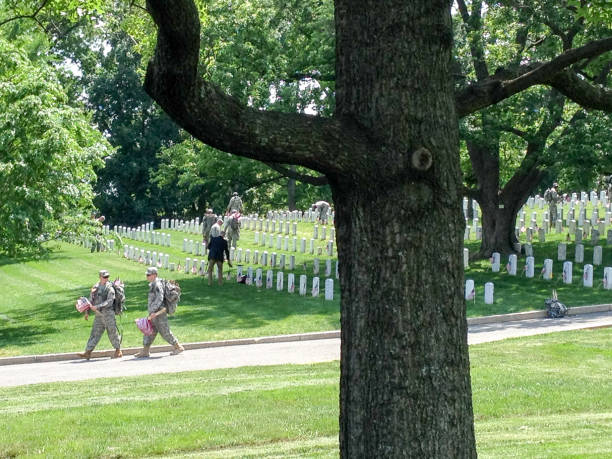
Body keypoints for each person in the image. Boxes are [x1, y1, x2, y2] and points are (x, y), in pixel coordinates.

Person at [134, 267, 184, 358]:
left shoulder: (157, 284)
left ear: (155, 275)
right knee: (149, 332)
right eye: (147, 274)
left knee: (165, 332)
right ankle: (145, 351)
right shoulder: (153, 284)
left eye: (149, 275)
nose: (147, 276)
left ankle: (178, 347)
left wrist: (153, 311)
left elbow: (159, 298)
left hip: (159, 313)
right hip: (154, 313)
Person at [77, 270, 122, 360]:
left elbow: (110, 301)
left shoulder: (110, 288)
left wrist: (97, 306)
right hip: (98, 315)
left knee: (112, 332)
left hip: (108, 314)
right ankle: (88, 352)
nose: (106, 278)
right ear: (100, 277)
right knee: (95, 333)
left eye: (107, 277)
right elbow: (90, 300)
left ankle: (118, 350)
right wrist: (87, 312)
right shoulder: (95, 287)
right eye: (104, 277)